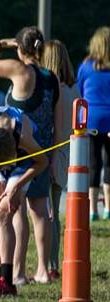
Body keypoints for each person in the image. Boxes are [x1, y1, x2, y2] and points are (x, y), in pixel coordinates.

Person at [0, 27, 61, 285]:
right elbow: (58, 119)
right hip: (41, 146)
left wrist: (1, 43)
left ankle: (15, 273)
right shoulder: (51, 78)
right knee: (40, 212)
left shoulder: (18, 69)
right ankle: (42, 269)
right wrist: (52, 154)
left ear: (20, 49)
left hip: (19, 149)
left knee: (10, 212)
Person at [0, 106, 48, 296]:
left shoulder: (23, 137)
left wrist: (15, 186)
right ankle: (0, 278)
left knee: (3, 214)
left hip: (24, 166)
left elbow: (42, 162)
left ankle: (7, 282)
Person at [41, 40, 77, 280]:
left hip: (52, 154)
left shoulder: (54, 91)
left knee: (50, 213)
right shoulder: (74, 90)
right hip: (67, 154)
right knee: (53, 211)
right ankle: (51, 262)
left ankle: (51, 265)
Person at [76, 27, 110, 221]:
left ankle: (92, 210)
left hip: (91, 119)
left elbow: (81, 90)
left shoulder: (86, 66)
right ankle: (108, 209)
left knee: (94, 163)